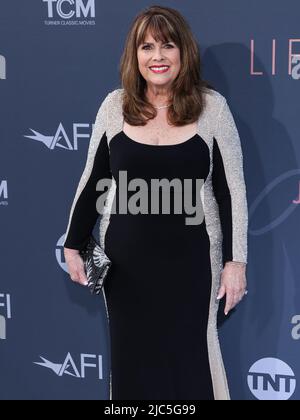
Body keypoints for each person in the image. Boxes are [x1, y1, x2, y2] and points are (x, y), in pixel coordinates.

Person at [63, 5, 248, 401]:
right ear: (135, 56)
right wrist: (73, 242)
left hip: (193, 264)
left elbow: (230, 190)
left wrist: (236, 262)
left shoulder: (211, 108)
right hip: (127, 267)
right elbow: (93, 180)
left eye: (167, 45)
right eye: (146, 47)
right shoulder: (115, 106)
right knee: (132, 367)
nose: (157, 56)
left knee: (191, 362)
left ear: (184, 51)